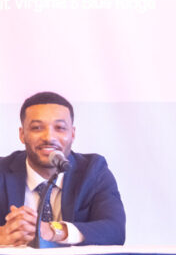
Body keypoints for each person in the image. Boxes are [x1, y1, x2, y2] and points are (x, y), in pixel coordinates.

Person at [0, 91, 126, 246]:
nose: (49, 138)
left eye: (59, 128)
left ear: (72, 134)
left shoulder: (93, 170)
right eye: (37, 128)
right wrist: (2, 237)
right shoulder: (2, 170)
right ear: (22, 134)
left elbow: (115, 231)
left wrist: (53, 230)